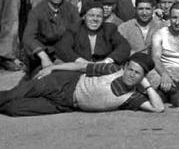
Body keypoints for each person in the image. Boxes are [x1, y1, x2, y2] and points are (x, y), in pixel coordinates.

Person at [0, 53, 164, 115]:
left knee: (13, 109)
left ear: (142, 77)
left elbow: (158, 108)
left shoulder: (132, 97)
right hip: (64, 82)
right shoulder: (112, 69)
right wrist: (54, 68)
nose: (132, 75)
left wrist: (147, 86)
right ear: (125, 66)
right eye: (131, 69)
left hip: (66, 104)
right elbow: (81, 66)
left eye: (137, 73)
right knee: (15, 93)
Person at [21, 0, 80, 75]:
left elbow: (79, 32)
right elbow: (28, 37)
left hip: (66, 53)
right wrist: (43, 56)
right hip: (44, 55)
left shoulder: (71, 10)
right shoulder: (37, 12)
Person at [55, 3, 130, 64]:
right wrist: (80, 60)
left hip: (103, 68)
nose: (95, 19)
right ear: (84, 16)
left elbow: (124, 46)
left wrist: (107, 61)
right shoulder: (74, 29)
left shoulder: (109, 29)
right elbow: (63, 47)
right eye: (91, 15)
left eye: (99, 16)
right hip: (78, 67)